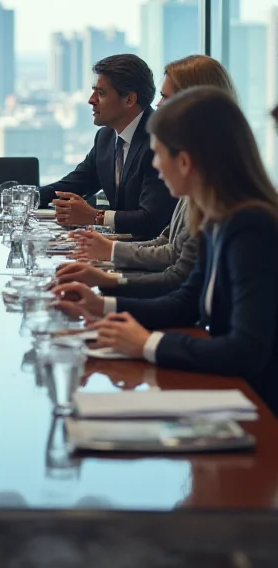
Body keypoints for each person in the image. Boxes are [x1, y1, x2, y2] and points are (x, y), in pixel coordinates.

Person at [56, 86, 278, 414]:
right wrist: (101, 305)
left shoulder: (251, 228)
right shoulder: (218, 219)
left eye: (159, 154)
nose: (156, 166)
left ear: (185, 161)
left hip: (258, 411)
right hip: (230, 394)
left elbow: (246, 350)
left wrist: (148, 344)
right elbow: (186, 303)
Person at [55, 56, 237, 298]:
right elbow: (169, 244)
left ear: (198, 106)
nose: (158, 106)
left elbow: (176, 272)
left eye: (166, 98)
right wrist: (108, 252)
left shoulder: (215, 185)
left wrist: (107, 280)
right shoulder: (202, 168)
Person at [39, 53, 176, 239]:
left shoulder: (159, 141)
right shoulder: (106, 137)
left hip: (150, 255)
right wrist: (28, 198)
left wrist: (95, 216)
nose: (91, 99)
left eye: (101, 93)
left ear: (129, 100)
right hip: (120, 246)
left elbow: (151, 220)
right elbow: (75, 184)